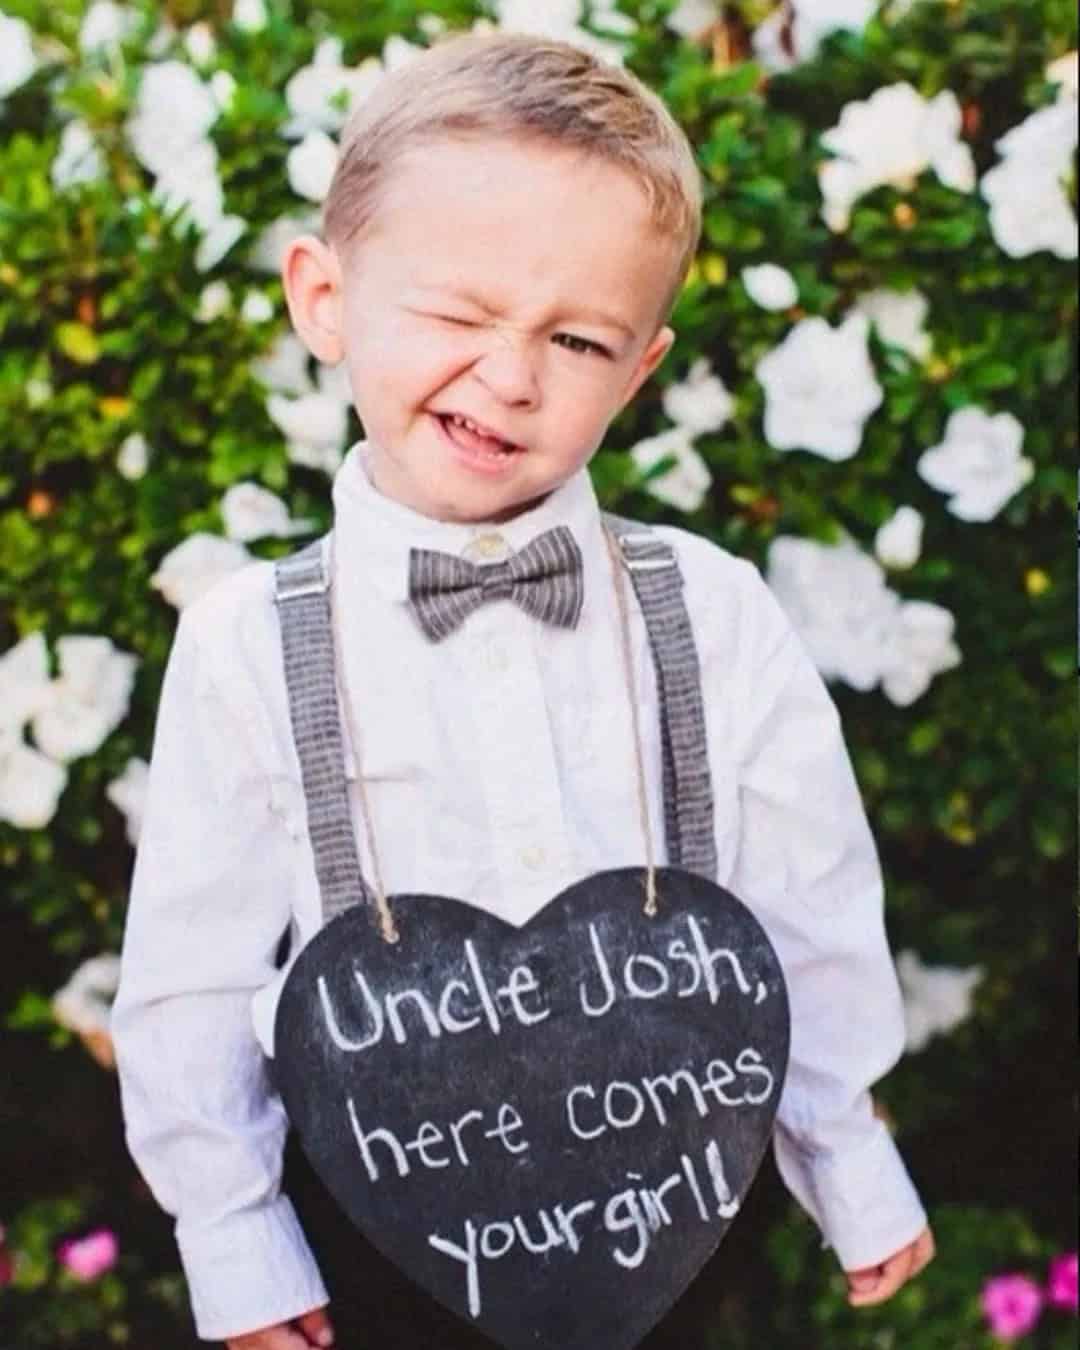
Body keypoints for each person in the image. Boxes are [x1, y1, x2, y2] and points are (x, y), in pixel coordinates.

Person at [111, 30, 935, 1350]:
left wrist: (844, 1148)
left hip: (672, 1205)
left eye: (576, 337)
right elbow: (192, 983)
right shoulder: (244, 646)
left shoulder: (713, 614)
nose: (511, 375)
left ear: (642, 369)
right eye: (457, 311)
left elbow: (810, 904)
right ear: (326, 299)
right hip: (378, 1235)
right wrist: (233, 1234)